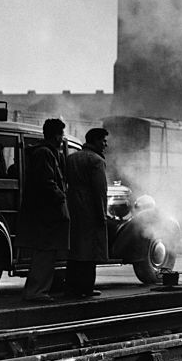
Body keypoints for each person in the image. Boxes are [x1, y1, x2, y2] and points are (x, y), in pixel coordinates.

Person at [16, 118, 69, 303]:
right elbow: (46, 183)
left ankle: (36, 290)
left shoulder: (44, 152)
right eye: (62, 134)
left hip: (43, 213)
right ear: (56, 136)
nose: (63, 139)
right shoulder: (46, 154)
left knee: (45, 253)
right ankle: (36, 292)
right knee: (45, 253)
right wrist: (61, 197)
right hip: (47, 214)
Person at [64, 127, 110, 298]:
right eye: (103, 141)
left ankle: (71, 287)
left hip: (72, 204)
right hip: (90, 207)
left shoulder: (71, 158)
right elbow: (100, 191)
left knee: (75, 250)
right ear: (95, 140)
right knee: (90, 251)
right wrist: (102, 215)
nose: (106, 144)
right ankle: (86, 288)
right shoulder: (96, 161)